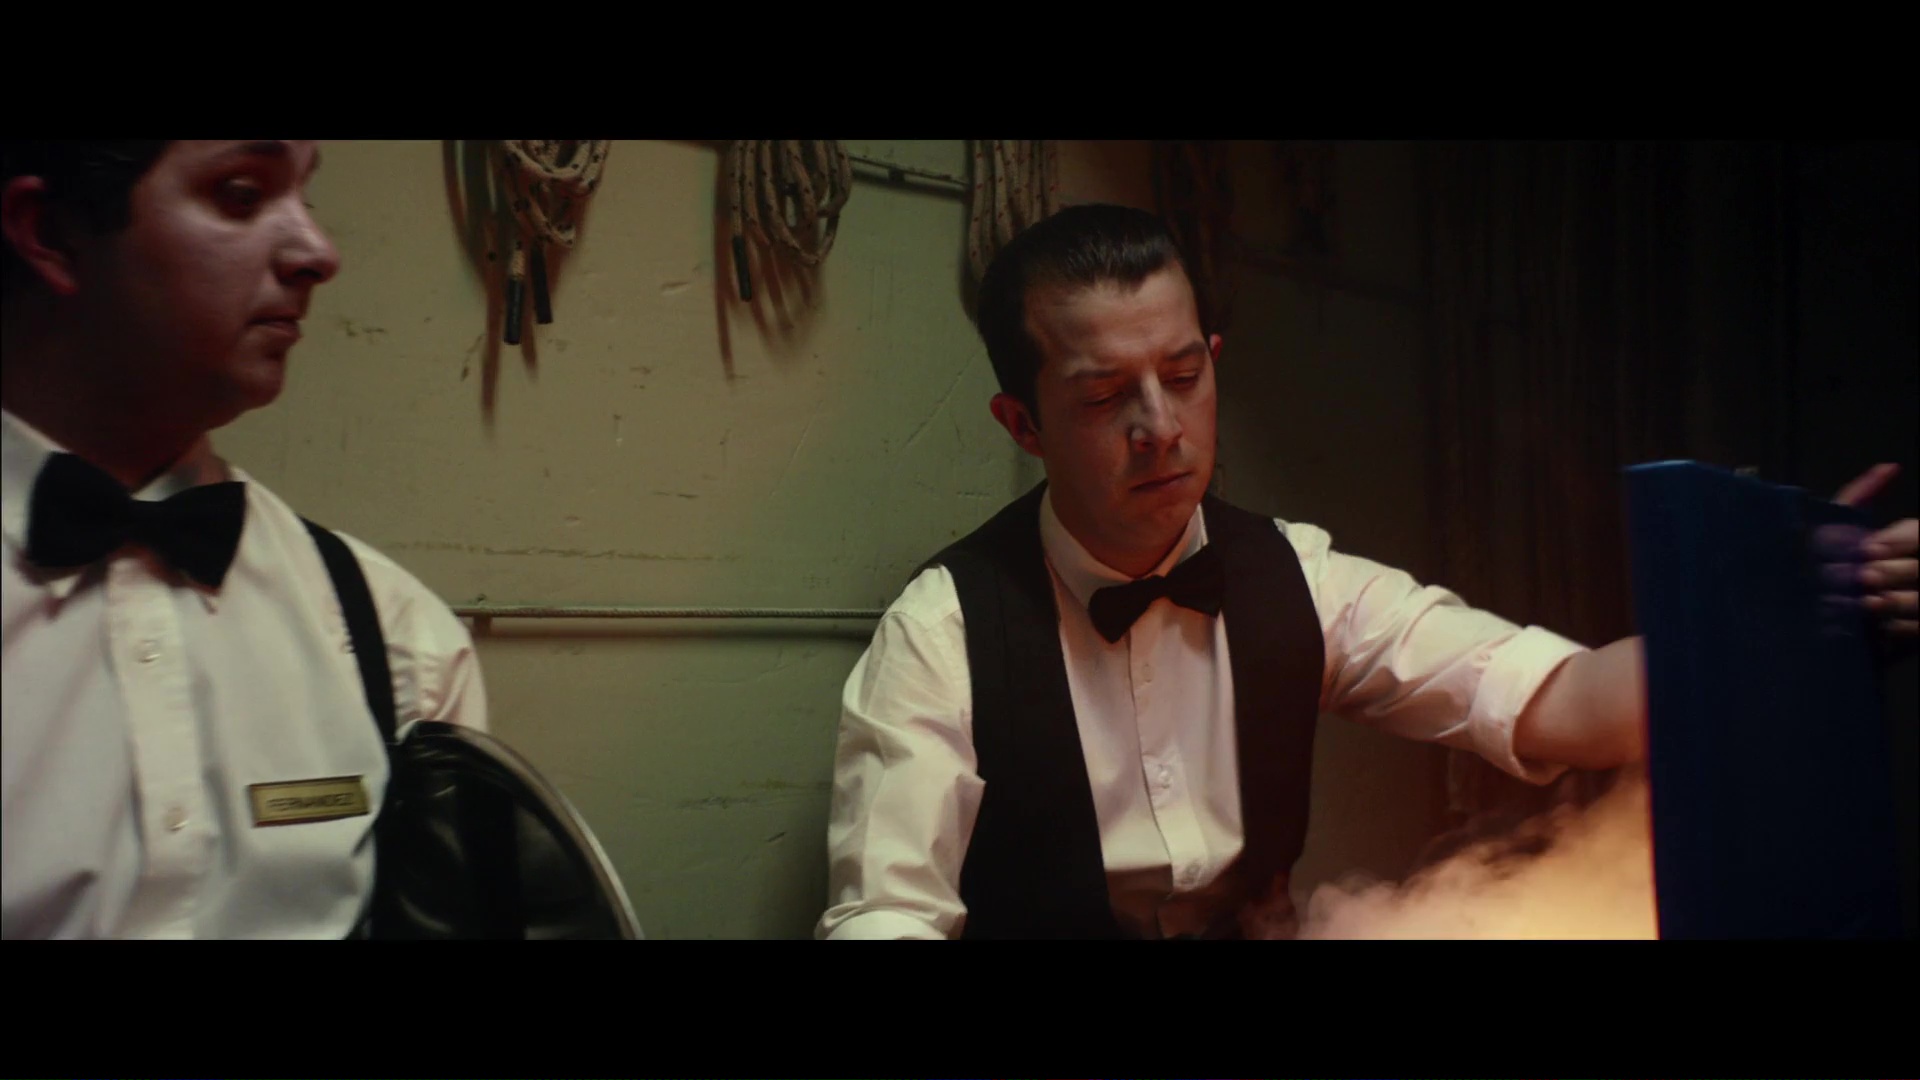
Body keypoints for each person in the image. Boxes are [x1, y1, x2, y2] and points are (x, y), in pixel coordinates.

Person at [817, 203, 1918, 940]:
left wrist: (1789, 621)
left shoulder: (1292, 576)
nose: (1161, 427)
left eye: (1184, 375)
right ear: (1022, 423)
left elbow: (1561, 698)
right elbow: (884, 916)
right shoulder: (942, 631)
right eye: (1106, 397)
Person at [1, 141, 487, 938]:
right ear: (49, 232)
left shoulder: (400, 642)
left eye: (306, 197)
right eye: (240, 194)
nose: (319, 253)